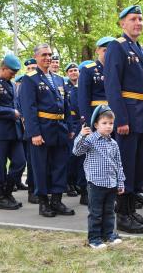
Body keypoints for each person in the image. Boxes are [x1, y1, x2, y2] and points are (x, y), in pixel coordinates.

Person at [104, 4, 143, 234]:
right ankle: (122, 215)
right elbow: (112, 86)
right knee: (125, 167)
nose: (138, 23)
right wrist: (120, 119)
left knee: (138, 167)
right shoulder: (117, 47)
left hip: (142, 115)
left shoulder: (141, 49)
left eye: (141, 19)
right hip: (128, 116)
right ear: (122, 23)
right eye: (134, 19)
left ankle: (132, 210)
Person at [20, 43, 75, 217]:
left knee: (60, 166)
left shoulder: (59, 79)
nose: (47, 57)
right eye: (43, 54)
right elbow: (28, 109)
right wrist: (34, 133)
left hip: (60, 129)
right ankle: (43, 203)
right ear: (36, 57)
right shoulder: (30, 79)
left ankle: (57, 201)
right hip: (42, 130)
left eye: (49, 54)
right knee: (41, 168)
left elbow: (66, 105)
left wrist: (70, 127)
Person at [73, 105, 124, 249]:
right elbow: (76, 151)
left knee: (109, 211)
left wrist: (120, 182)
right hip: (96, 183)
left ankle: (108, 234)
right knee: (96, 213)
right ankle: (94, 238)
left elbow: (118, 164)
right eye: (104, 123)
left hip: (111, 183)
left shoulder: (113, 143)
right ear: (96, 125)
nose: (108, 127)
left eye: (111, 123)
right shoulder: (90, 140)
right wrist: (81, 135)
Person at [0, 54, 26, 210]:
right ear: (3, 68)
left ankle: (7, 192)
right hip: (0, 132)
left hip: (15, 132)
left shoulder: (12, 84)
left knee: (20, 162)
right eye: (11, 71)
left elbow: (17, 105)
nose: (14, 74)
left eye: (15, 72)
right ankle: (2, 198)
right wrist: (11, 112)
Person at [78, 37, 115, 124]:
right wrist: (87, 122)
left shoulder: (116, 70)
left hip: (115, 114)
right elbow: (83, 99)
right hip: (97, 115)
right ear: (97, 50)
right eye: (105, 50)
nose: (108, 54)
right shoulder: (88, 70)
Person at [64, 62, 80, 197]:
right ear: (67, 74)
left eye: (75, 70)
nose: (74, 72)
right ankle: (68, 183)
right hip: (71, 123)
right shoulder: (65, 87)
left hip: (80, 123)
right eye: (71, 71)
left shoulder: (82, 86)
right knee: (71, 155)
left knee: (79, 155)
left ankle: (76, 182)